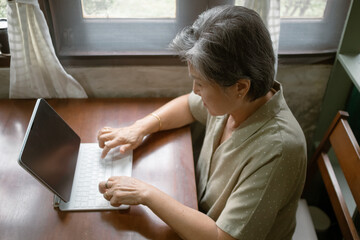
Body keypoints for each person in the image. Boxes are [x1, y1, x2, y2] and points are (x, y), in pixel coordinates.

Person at [97, 5, 306, 240]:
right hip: (199, 209)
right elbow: (188, 104)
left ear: (240, 87)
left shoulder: (278, 150)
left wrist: (145, 193)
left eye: (201, 83)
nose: (195, 90)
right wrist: (139, 128)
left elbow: (222, 237)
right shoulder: (236, 101)